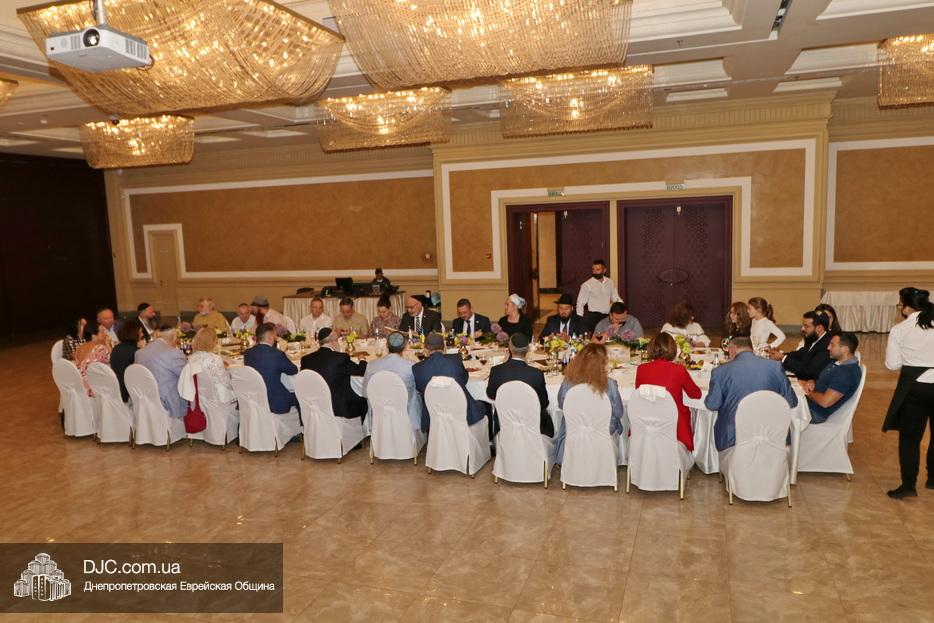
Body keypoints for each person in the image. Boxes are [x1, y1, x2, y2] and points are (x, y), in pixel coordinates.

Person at [705, 337, 798, 453]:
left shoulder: (720, 371)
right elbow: (791, 401)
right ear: (751, 349)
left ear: (733, 349)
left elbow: (712, 404)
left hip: (734, 437)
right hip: (772, 435)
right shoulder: (775, 366)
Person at [883, 287, 934, 499]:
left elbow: (892, 364)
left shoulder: (900, 329)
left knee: (910, 439)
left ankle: (908, 485)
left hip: (914, 388)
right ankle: (933, 479)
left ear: (907, 308)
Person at [553, 343, 624, 463]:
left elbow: (562, 405)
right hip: (603, 431)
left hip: (574, 429)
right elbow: (619, 412)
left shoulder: (568, 382)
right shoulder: (610, 384)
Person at [635, 333, 702, 451]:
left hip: (648, 424)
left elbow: (640, 394)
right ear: (673, 349)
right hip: (676, 428)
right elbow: (696, 394)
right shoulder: (679, 370)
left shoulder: (641, 369)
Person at [412, 332, 488, 433]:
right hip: (462, 413)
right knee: (485, 405)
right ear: (444, 346)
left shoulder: (417, 368)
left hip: (434, 418)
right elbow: (464, 380)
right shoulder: (455, 360)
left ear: (425, 348)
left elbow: (421, 390)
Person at [486, 334, 554, 438]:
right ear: (528, 349)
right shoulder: (536, 373)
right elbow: (544, 403)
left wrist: (503, 364)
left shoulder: (496, 371)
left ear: (510, 348)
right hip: (534, 426)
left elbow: (491, 394)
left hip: (504, 424)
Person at [300, 328, 368, 423]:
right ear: (333, 342)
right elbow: (361, 371)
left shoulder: (306, 359)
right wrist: (362, 360)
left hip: (316, 405)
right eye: (337, 340)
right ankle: (363, 429)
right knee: (365, 399)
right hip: (339, 406)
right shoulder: (340, 358)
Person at [361, 331, 423, 433]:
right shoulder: (412, 366)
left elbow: (365, 393)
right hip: (407, 415)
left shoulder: (371, 365)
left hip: (380, 416)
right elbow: (419, 390)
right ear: (405, 346)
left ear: (386, 346)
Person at [801, 332, 862, 424]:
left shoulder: (847, 373)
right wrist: (811, 382)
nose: (828, 347)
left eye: (832, 345)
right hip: (808, 404)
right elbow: (825, 381)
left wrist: (806, 391)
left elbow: (825, 402)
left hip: (813, 412)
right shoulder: (837, 363)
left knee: (779, 406)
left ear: (845, 349)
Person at [244, 322, 299, 416]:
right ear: (270, 337)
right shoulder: (277, 354)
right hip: (275, 400)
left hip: (255, 398)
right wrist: (286, 357)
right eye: (275, 336)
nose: (276, 338)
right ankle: (301, 424)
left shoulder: (248, 353)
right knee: (301, 395)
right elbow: (293, 370)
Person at [134, 325, 187, 419]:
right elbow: (187, 377)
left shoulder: (139, 353)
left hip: (143, 401)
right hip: (167, 404)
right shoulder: (174, 353)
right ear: (174, 338)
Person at [766, 311, 832, 381]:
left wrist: (783, 358)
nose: (802, 329)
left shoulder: (827, 346)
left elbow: (809, 371)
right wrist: (779, 354)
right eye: (803, 325)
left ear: (819, 328)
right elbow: (798, 354)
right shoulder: (815, 338)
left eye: (806, 326)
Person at [186, 328, 236, 405]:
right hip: (219, 401)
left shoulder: (191, 358)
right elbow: (227, 383)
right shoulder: (214, 359)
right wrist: (228, 371)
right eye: (216, 340)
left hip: (200, 399)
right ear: (211, 342)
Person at [576, 259, 622, 333]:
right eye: (593, 269)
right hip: (594, 317)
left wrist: (621, 308)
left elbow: (615, 297)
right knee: (596, 338)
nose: (595, 272)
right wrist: (580, 320)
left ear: (604, 270)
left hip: (608, 316)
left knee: (609, 337)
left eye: (598, 269)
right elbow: (580, 303)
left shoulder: (610, 282)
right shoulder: (587, 285)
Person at [110, 319, 144, 403]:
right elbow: (143, 373)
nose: (142, 334)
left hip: (117, 390)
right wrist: (144, 349)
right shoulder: (136, 352)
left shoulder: (115, 349)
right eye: (140, 332)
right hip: (131, 393)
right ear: (134, 334)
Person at [76, 326, 112, 396]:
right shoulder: (100, 348)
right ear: (94, 336)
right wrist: (107, 344)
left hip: (81, 387)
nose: (106, 334)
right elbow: (113, 361)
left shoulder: (79, 348)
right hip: (96, 387)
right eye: (102, 332)